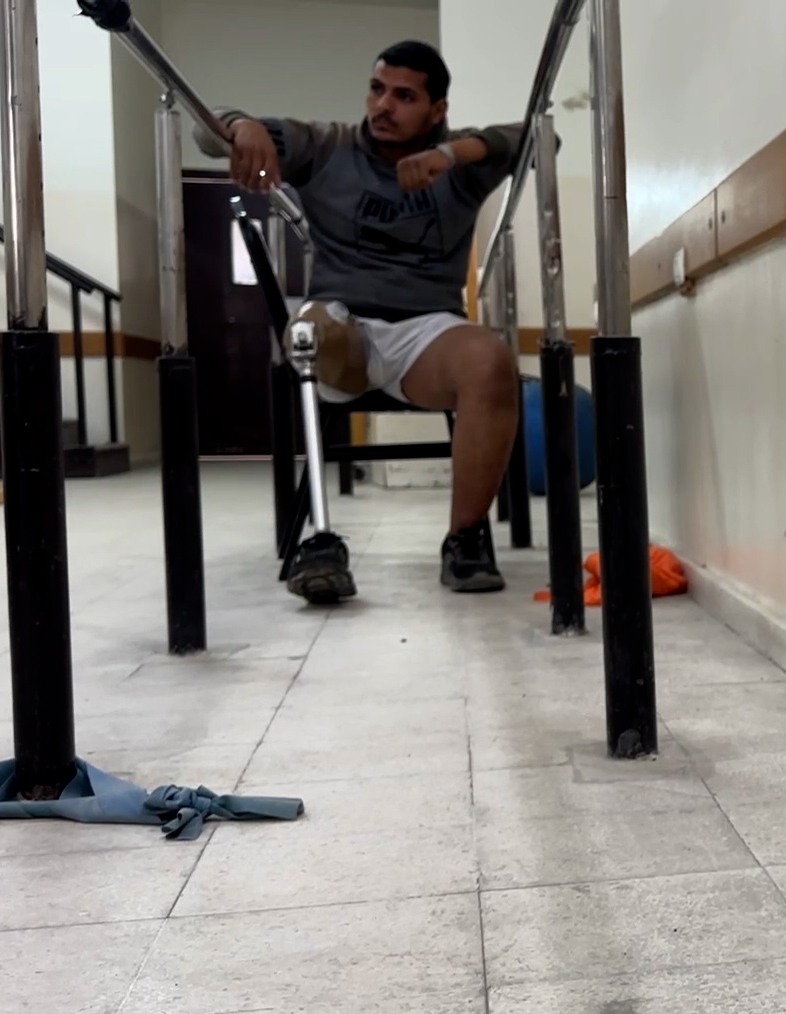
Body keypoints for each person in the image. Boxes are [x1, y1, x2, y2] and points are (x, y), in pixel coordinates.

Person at [195, 40, 534, 600]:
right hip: (342, 325)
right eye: (377, 89)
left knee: (490, 360)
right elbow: (206, 130)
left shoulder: (460, 167)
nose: (383, 106)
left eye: (405, 96)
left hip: (426, 333)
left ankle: (465, 539)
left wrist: (451, 156)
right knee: (310, 333)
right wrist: (243, 125)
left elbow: (537, 138)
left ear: (437, 110)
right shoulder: (327, 145)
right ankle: (321, 540)